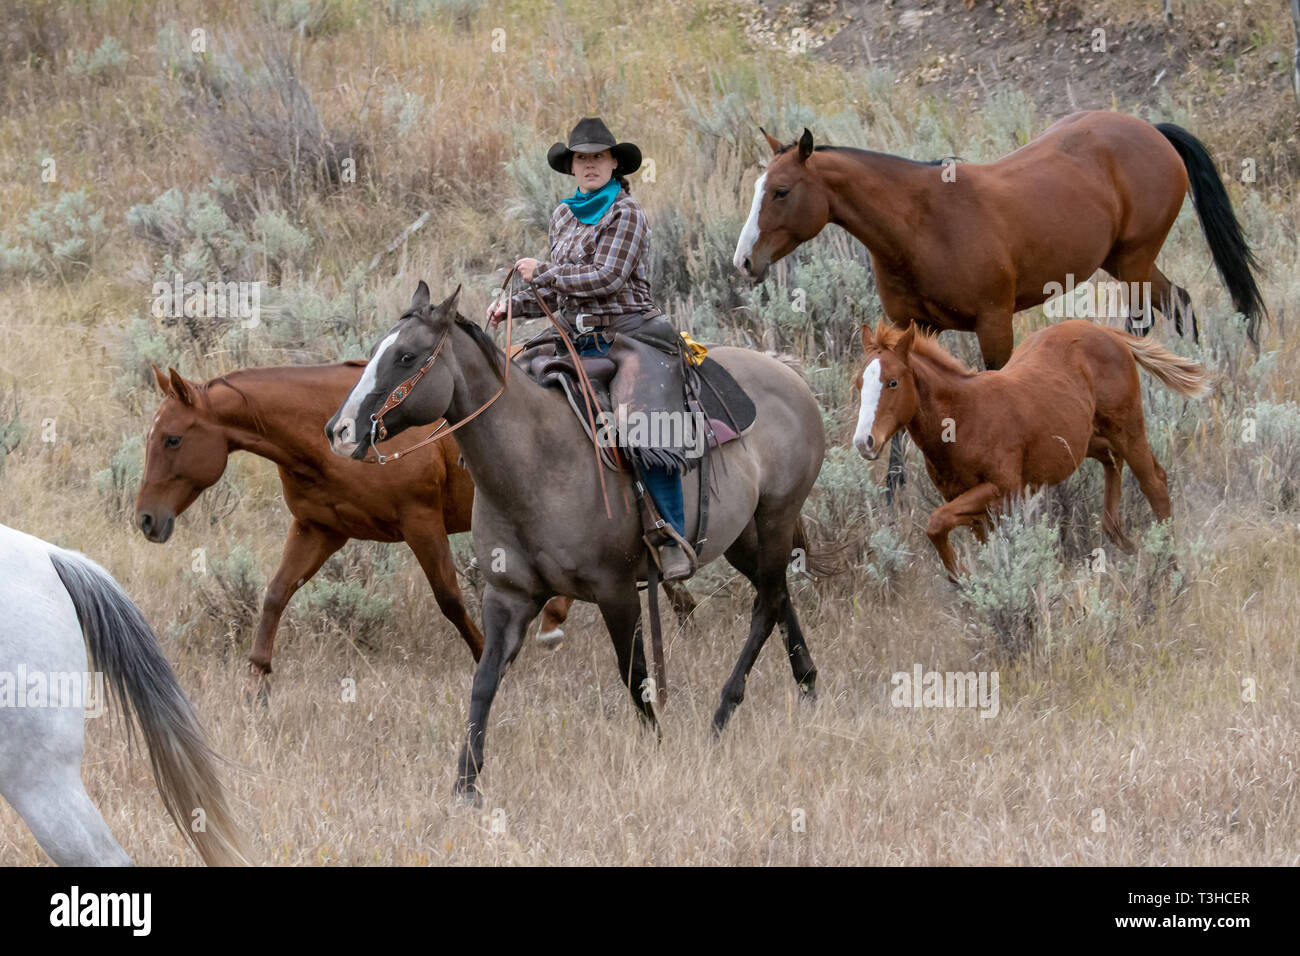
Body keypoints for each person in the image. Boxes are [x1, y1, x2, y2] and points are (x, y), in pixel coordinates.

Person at [487, 117, 695, 581]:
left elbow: (607, 277)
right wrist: (513, 306)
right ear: (572, 167)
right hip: (574, 336)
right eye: (581, 158)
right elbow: (561, 294)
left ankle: (670, 535)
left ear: (614, 162)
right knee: (512, 390)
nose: (589, 165)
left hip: (631, 333)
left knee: (644, 422)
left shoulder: (626, 212)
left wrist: (541, 271)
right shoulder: (563, 215)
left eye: (597, 157)